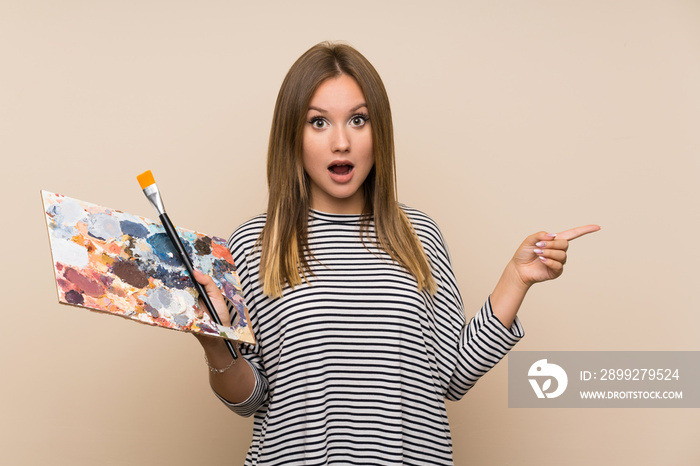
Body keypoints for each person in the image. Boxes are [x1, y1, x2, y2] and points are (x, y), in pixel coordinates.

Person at [192, 41, 599, 465]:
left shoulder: (417, 234)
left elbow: (453, 375)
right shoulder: (254, 244)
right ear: (292, 134)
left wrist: (516, 280)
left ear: (378, 129)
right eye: (318, 122)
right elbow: (250, 399)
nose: (341, 141)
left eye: (357, 119)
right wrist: (216, 346)